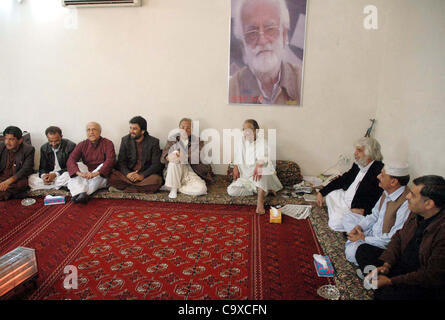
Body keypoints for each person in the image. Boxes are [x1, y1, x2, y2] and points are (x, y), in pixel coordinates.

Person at [365, 175, 445, 300]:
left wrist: (391, 281)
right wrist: (387, 264)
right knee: (363, 251)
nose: (407, 196)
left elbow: (431, 276)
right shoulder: (416, 212)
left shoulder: (442, 231)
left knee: (387, 295)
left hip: (420, 279)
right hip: (401, 263)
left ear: (429, 204)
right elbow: (399, 236)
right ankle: (381, 283)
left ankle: (384, 286)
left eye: (412, 195)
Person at [229, 0, 302, 105]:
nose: (262, 41)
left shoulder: (301, 82)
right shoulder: (232, 88)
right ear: (243, 46)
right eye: (252, 33)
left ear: (284, 35)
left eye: (270, 29)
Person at [345, 162, 411, 269]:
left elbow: (393, 238)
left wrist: (364, 238)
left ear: (393, 182)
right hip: (372, 232)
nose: (378, 176)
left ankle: (363, 257)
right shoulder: (387, 191)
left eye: (382, 174)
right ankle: (355, 241)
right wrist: (359, 227)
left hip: (382, 243)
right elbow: (374, 215)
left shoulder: (406, 203)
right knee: (348, 218)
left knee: (352, 252)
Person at [316, 137, 384, 232]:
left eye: (359, 150)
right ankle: (341, 214)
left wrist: (365, 211)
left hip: (356, 208)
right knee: (330, 194)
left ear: (370, 154)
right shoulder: (358, 164)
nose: (355, 153)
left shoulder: (379, 171)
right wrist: (322, 192)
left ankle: (345, 219)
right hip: (346, 198)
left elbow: (380, 197)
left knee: (334, 223)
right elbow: (344, 179)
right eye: (356, 150)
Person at [227, 119, 283, 215]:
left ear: (255, 131)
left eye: (248, 129)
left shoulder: (263, 142)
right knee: (231, 190)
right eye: (243, 129)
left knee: (263, 171)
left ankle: (260, 202)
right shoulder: (241, 141)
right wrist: (235, 167)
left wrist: (259, 165)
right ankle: (262, 191)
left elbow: (264, 155)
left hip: (261, 176)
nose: (245, 132)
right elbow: (237, 156)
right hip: (247, 177)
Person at [160, 118, 214, 199]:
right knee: (174, 158)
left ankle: (174, 186)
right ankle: (173, 189)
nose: (185, 130)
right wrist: (168, 157)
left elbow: (197, 156)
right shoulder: (172, 140)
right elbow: (162, 158)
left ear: (192, 129)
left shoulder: (198, 141)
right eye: (182, 127)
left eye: (188, 128)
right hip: (174, 170)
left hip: (190, 171)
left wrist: (183, 156)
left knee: (202, 189)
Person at [108, 116, 164, 193]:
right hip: (129, 174)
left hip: (145, 176)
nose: (131, 131)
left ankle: (125, 189)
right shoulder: (125, 140)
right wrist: (127, 174)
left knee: (157, 180)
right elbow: (121, 162)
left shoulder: (153, 142)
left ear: (143, 131)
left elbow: (156, 164)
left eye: (134, 129)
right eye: (130, 128)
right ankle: (139, 189)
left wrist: (142, 176)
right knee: (111, 176)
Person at [66, 122, 115, 204]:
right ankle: (82, 194)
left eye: (94, 129)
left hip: (100, 174)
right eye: (88, 130)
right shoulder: (82, 144)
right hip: (87, 174)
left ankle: (80, 192)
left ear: (100, 132)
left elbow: (110, 161)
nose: (91, 132)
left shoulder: (108, 143)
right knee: (78, 165)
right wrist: (80, 173)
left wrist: (95, 173)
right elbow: (71, 160)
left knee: (72, 180)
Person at [28, 126, 76, 191]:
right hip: (51, 175)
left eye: (56, 141)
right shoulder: (44, 148)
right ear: (47, 138)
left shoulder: (70, 146)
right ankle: (59, 186)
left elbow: (72, 167)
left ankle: (51, 186)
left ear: (61, 137)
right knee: (31, 179)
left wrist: (55, 174)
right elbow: (42, 168)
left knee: (69, 176)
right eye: (50, 141)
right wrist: (44, 176)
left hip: (63, 174)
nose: (53, 144)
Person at [0, 126, 35, 201]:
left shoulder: (28, 149)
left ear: (20, 140)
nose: (7, 142)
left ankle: (5, 193)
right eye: (6, 139)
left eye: (11, 139)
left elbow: (26, 169)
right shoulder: (1, 147)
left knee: (21, 184)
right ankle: (7, 193)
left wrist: (9, 181)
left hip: (16, 178)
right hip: (2, 177)